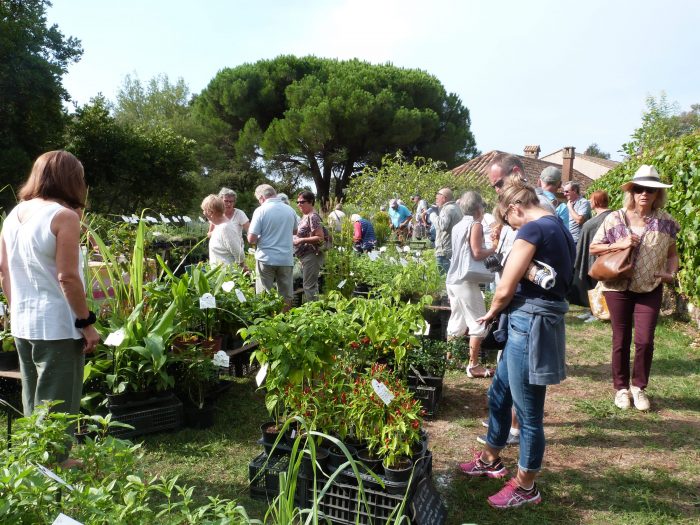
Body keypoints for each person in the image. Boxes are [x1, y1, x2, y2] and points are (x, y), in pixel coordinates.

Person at [459, 180, 575, 509]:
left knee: (527, 414)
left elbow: (506, 284)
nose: (513, 227)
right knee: (499, 394)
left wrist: (492, 312)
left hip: (530, 323)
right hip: (530, 320)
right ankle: (491, 459)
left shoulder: (534, 230)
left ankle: (526, 486)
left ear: (515, 208)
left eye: (511, 221)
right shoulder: (559, 227)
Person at [0, 151, 100, 467]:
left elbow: (4, 271)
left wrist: (17, 310)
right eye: (81, 178)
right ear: (71, 180)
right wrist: (86, 322)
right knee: (59, 396)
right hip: (57, 324)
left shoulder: (13, 215)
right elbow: (67, 277)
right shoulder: (64, 216)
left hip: (23, 322)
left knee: (33, 394)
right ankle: (54, 461)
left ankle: (35, 456)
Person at [589, 165, 679, 411]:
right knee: (621, 340)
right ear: (631, 192)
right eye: (639, 189)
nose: (644, 194)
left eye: (650, 190)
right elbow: (594, 248)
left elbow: (672, 254)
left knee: (645, 341)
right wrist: (620, 243)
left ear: (657, 194)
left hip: (650, 286)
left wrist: (671, 272)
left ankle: (639, 388)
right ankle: (620, 389)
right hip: (617, 287)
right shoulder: (614, 218)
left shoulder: (667, 222)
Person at [445, 192, 496, 378]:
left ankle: (450, 359)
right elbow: (476, 253)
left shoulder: (458, 225)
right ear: (478, 208)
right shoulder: (475, 224)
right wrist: (493, 249)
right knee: (478, 321)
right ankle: (473, 366)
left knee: (457, 320)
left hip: (452, 279)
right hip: (465, 280)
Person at [247, 184, 298, 310]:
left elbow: (251, 238)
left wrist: (263, 238)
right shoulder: (290, 210)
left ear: (261, 197)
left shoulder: (261, 210)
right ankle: (285, 321)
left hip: (266, 258)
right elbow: (295, 231)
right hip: (286, 258)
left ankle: (266, 323)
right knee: (286, 294)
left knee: (264, 293)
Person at [568, 191, 612, 319]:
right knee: (592, 285)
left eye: (591, 199)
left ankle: (599, 312)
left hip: (599, 257)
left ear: (596, 201)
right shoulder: (603, 216)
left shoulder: (607, 217)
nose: (589, 201)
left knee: (598, 284)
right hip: (593, 255)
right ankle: (593, 310)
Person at [294, 191, 325, 302]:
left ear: (311, 202)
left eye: (302, 202)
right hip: (305, 256)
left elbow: (320, 237)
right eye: (297, 202)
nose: (299, 204)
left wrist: (301, 240)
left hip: (312, 255)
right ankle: (314, 310)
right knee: (310, 285)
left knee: (309, 286)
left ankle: (313, 314)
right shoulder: (305, 216)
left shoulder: (313, 217)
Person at [201, 194, 247, 269]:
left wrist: (243, 267)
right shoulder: (219, 226)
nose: (204, 213)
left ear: (211, 212)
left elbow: (239, 253)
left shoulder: (225, 228)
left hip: (228, 275)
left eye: (205, 211)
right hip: (221, 274)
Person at [430, 188, 463, 274]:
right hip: (453, 248)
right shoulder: (456, 207)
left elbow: (442, 225)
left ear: (444, 198)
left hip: (444, 250)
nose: (436, 199)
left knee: (444, 279)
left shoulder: (447, 209)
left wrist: (433, 214)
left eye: (438, 197)